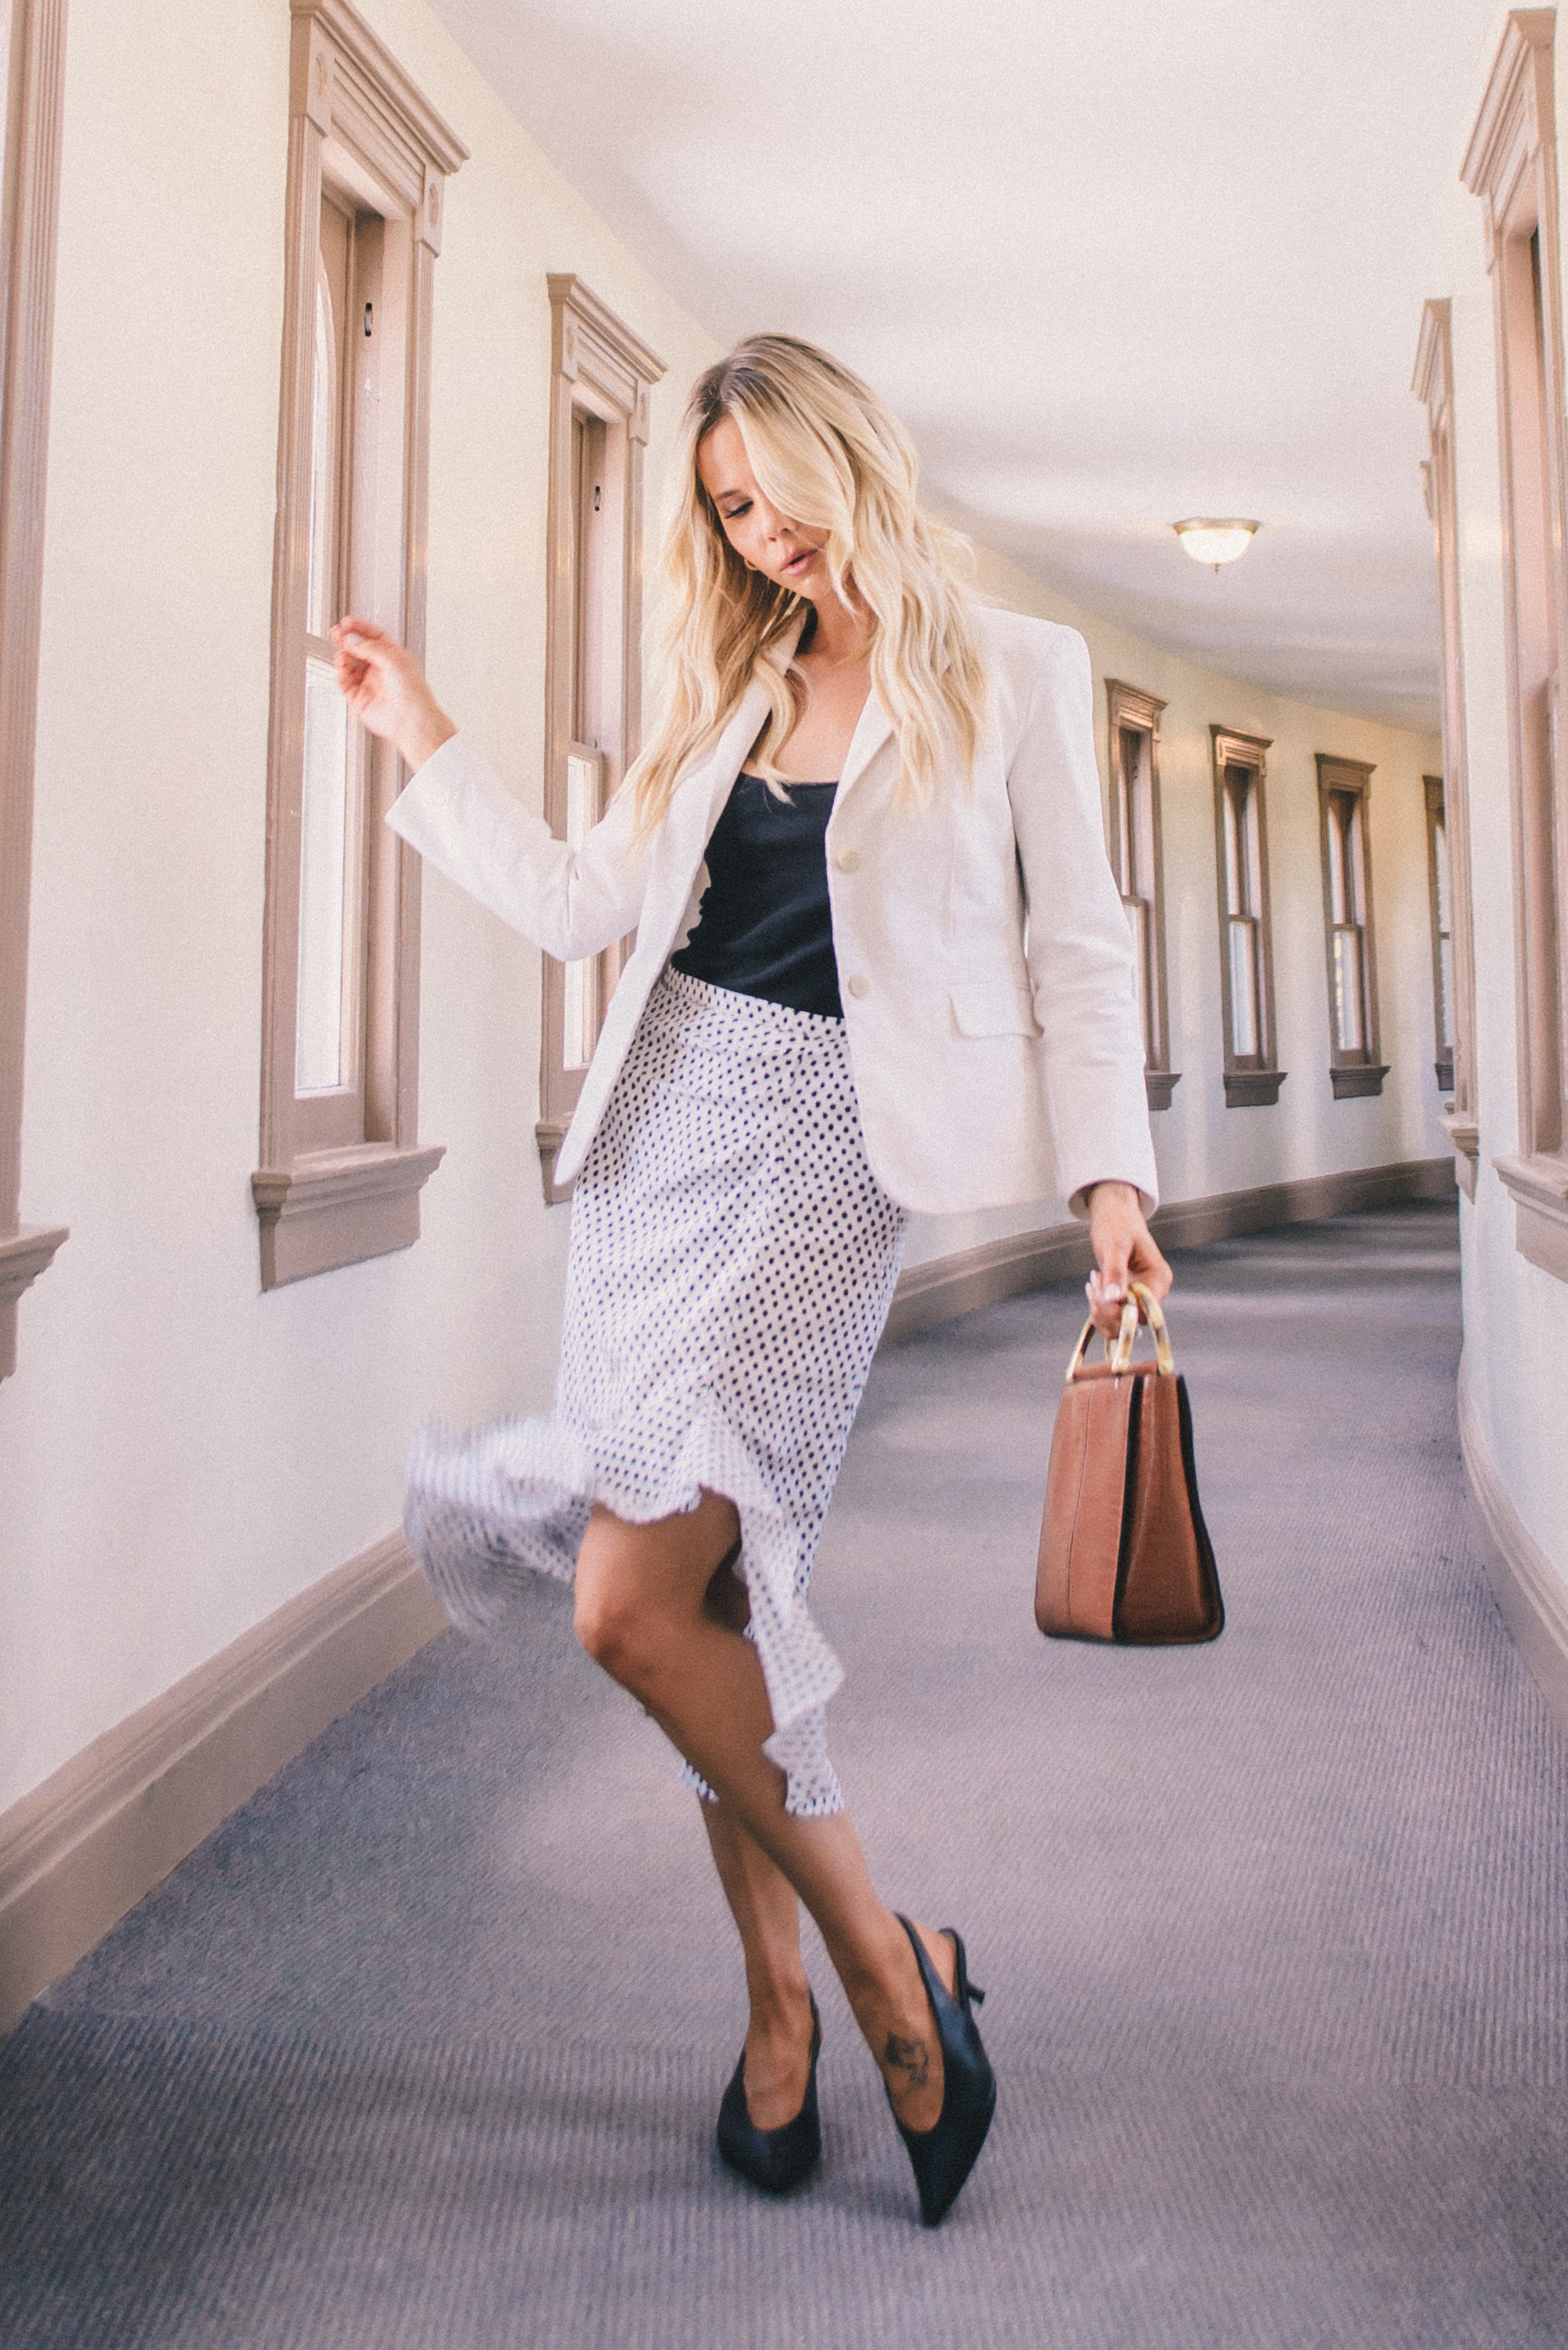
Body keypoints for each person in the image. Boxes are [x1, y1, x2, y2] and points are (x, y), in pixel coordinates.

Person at [332, 332, 1168, 2229]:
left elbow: (1078, 948)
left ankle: (883, 1968)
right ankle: (791, 2006)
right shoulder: (728, 683)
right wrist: (422, 733)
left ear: (845, 453)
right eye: (723, 505)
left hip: (823, 1165)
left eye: (773, 485)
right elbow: (580, 902)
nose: (759, 527)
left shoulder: (1015, 666)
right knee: (703, 1602)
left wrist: (1108, 1174)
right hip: (662, 1136)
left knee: (629, 1610)